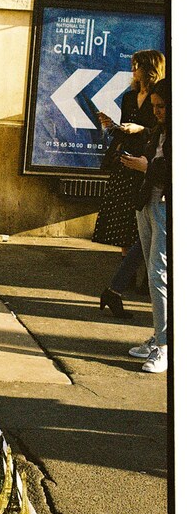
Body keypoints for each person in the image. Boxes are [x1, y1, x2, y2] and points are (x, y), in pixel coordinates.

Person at [93, 49, 165, 317]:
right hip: (131, 163)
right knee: (131, 225)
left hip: (149, 164)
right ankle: (125, 286)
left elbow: (160, 132)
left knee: (147, 233)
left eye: (136, 66)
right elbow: (131, 129)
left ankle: (124, 287)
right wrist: (114, 126)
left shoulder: (162, 96)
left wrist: (141, 130)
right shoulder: (129, 97)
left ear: (149, 68)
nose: (132, 71)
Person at [120, 78, 169, 374]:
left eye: (162, 107)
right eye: (154, 107)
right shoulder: (160, 130)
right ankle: (159, 337)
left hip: (165, 202)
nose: (158, 112)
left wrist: (146, 166)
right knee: (154, 274)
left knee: (159, 274)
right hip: (149, 200)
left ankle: (164, 346)